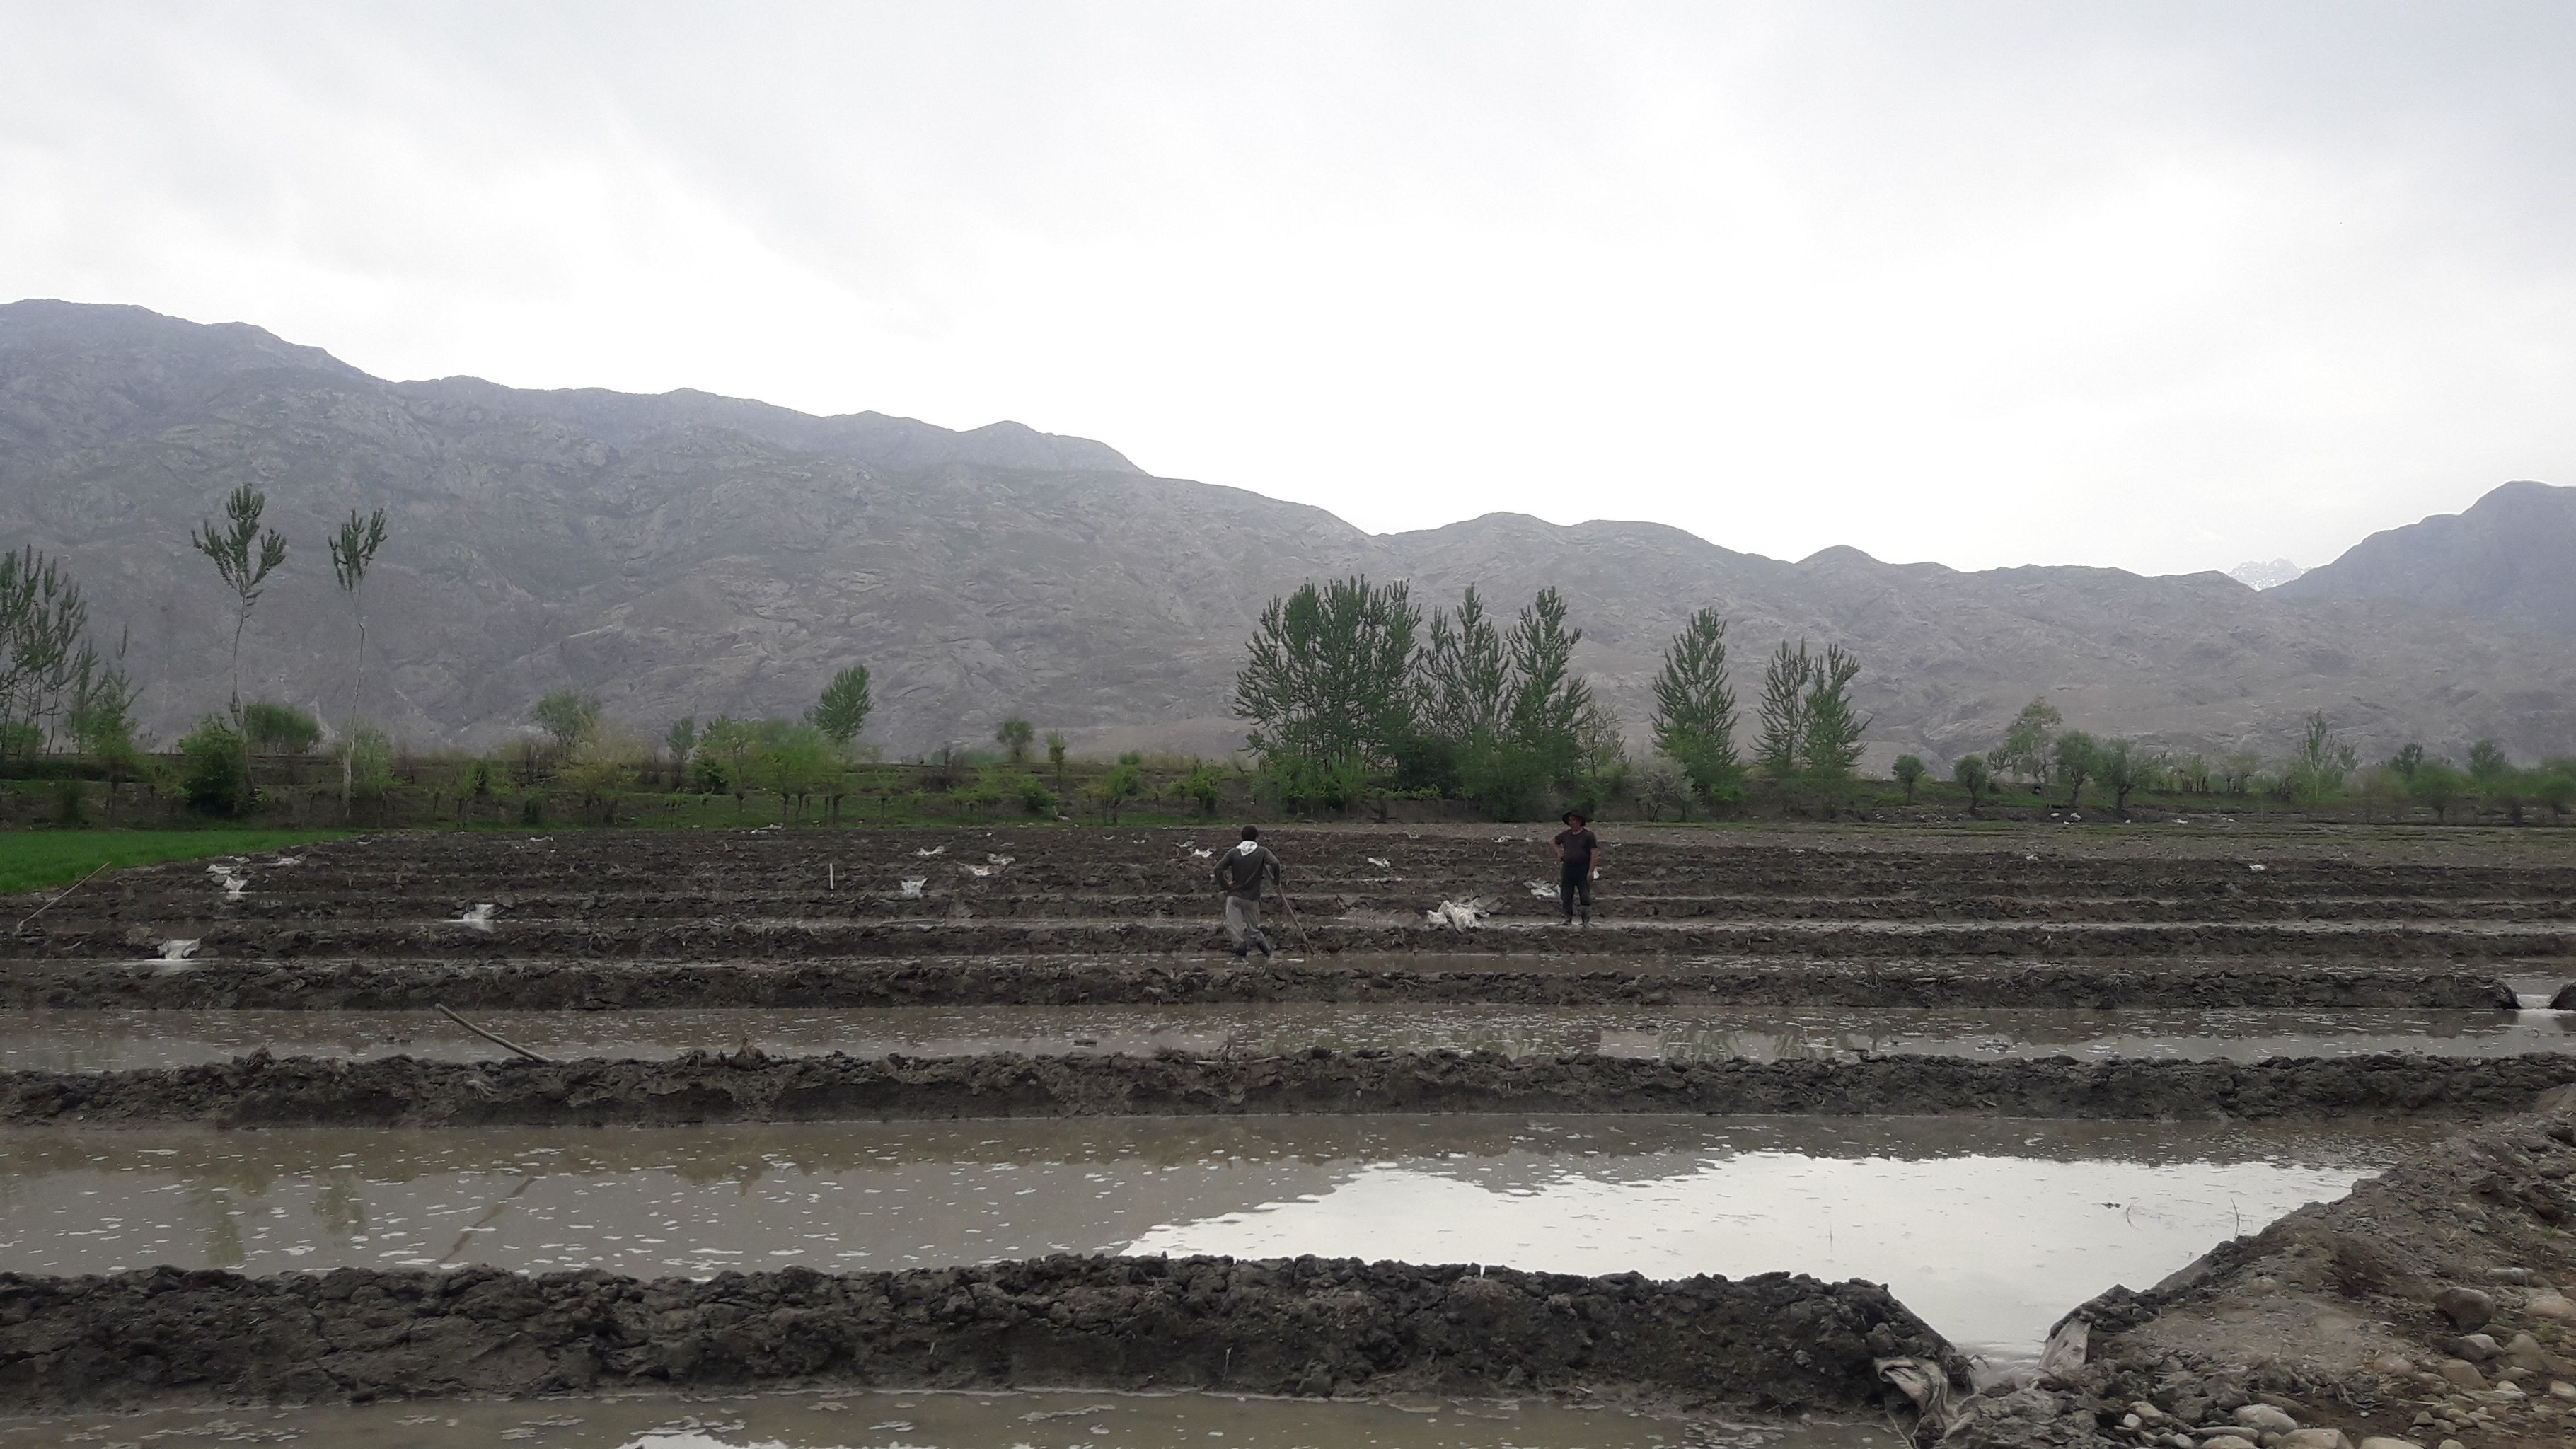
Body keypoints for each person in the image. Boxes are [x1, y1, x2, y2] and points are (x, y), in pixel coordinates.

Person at [1211, 824, 1285, 958]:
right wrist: (1276, 881)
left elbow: (1217, 869)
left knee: (1236, 930)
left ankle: (1240, 951)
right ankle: (1268, 955)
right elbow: (1275, 863)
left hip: (1234, 896)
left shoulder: (1234, 852)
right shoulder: (1262, 852)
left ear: (1242, 837)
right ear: (1257, 837)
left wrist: (1226, 886)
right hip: (1252, 898)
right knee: (1254, 930)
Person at [1552, 810, 1600, 925]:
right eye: (1569, 820)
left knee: (1585, 894)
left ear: (1579, 821)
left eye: (1573, 820)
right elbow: (1552, 841)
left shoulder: (1588, 835)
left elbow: (1594, 852)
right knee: (1566, 895)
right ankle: (1567, 919)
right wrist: (1559, 852)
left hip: (1583, 869)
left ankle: (1586, 920)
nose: (1571, 822)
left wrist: (1591, 870)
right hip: (1568, 869)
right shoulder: (1566, 835)